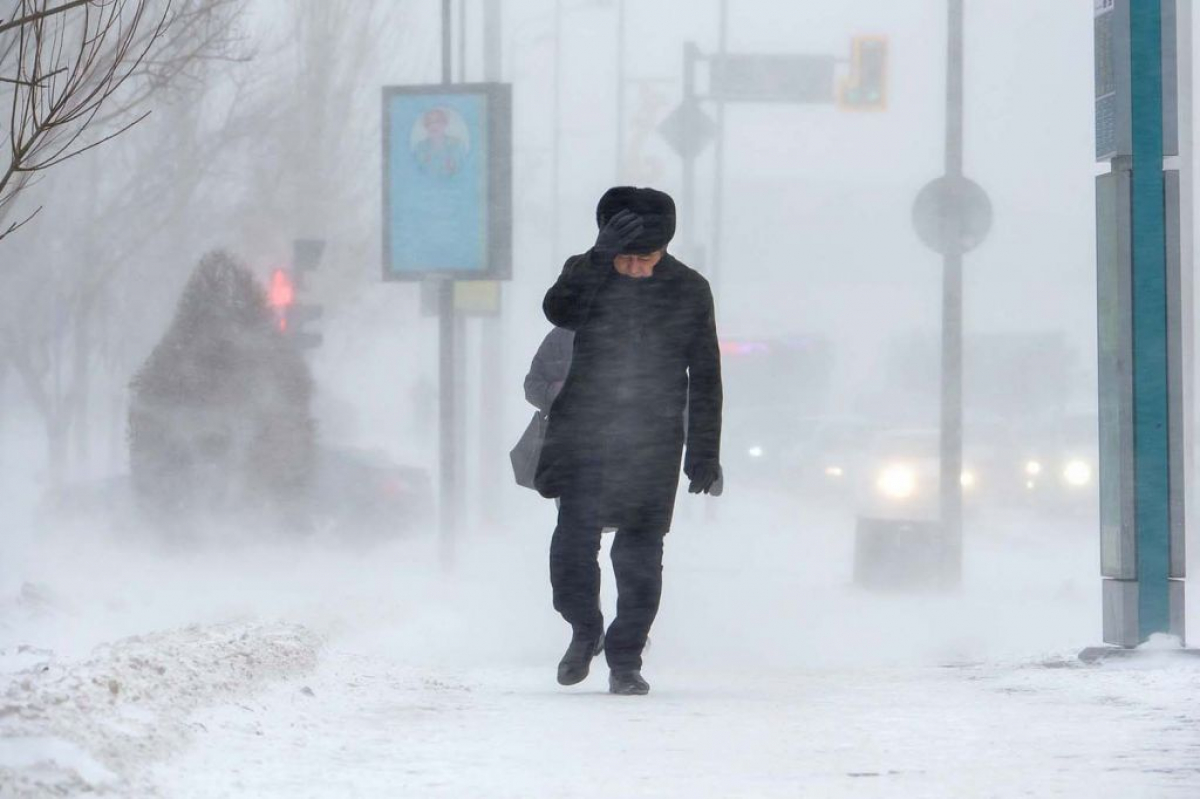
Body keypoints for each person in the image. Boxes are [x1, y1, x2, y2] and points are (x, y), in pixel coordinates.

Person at [535, 186, 723, 696]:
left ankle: (625, 659)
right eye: (627, 258)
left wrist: (705, 453)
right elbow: (559, 312)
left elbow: (705, 374)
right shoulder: (589, 271)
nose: (637, 268)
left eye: (647, 259)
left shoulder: (688, 288)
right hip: (584, 436)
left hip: (654, 440)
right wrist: (598, 259)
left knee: (640, 557)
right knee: (573, 546)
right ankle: (584, 628)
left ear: (664, 252)